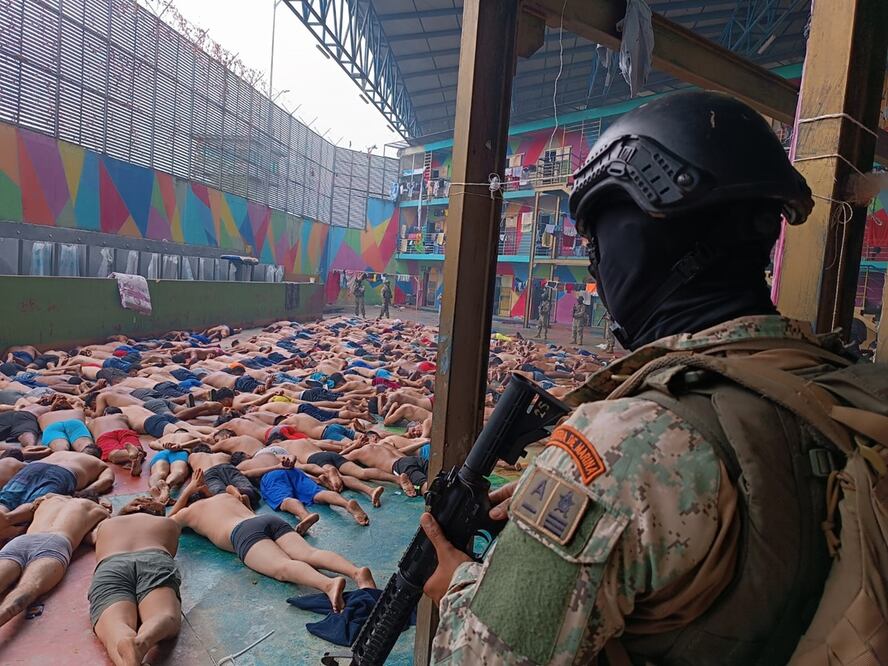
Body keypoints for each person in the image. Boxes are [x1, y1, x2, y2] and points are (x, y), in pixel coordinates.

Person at [419, 91, 871, 665]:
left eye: (599, 238)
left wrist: (460, 582)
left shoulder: (621, 447)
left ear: (644, 233)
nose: (597, 265)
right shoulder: (829, 380)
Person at [169, 469, 375, 613]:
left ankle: (328, 584)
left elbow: (167, 523)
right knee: (309, 554)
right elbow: (233, 496)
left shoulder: (189, 512)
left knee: (283, 567)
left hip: (241, 533)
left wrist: (188, 491)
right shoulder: (224, 497)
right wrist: (201, 488)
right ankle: (356, 573)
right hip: (264, 520)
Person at [89, 497, 183, 666]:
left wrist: (122, 511)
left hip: (112, 564)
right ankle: (142, 642)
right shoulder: (168, 524)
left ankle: (128, 657)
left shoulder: (106, 526)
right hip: (153, 559)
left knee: (115, 625)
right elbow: (170, 550)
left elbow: (91, 539)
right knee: (164, 614)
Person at [0, 493, 110, 627]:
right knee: (26, 590)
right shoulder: (98, 510)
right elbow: (96, 537)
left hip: (22, 541)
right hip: (56, 542)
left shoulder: (48, 499)